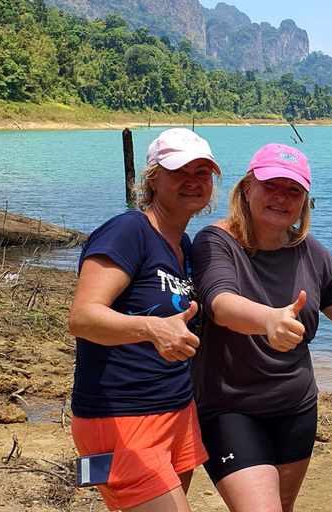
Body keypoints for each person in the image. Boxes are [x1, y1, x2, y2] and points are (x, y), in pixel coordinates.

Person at [190, 143, 332, 512]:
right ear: (247, 188)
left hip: (295, 408)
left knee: (282, 505)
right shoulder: (217, 241)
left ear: (304, 201)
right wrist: (268, 320)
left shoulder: (313, 253)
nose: (281, 197)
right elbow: (219, 302)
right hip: (229, 407)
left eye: (292, 189)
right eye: (270, 185)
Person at [68, 128, 221, 511]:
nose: (192, 181)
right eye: (179, 171)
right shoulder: (127, 231)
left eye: (202, 172)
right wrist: (150, 328)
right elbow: (82, 317)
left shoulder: (183, 244)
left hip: (176, 412)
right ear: (152, 178)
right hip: (121, 417)